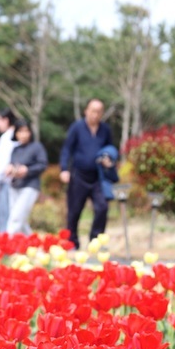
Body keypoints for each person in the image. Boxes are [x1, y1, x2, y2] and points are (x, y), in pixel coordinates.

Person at [60, 98, 116, 245]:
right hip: (78, 175)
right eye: (93, 111)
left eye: (99, 112)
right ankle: (72, 242)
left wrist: (108, 160)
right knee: (74, 210)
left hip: (98, 176)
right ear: (86, 111)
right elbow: (67, 149)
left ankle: (95, 241)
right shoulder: (77, 127)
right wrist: (64, 169)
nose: (95, 115)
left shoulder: (105, 129)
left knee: (102, 207)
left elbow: (111, 149)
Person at [5, 120, 48, 234]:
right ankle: (32, 244)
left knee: (16, 217)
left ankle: (7, 245)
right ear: (16, 134)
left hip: (30, 186)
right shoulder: (15, 149)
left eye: (26, 131)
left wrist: (28, 170)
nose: (23, 134)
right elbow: (12, 164)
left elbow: (43, 164)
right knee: (21, 220)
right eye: (20, 131)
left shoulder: (36, 147)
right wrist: (10, 169)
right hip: (15, 185)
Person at [0, 110, 17, 234]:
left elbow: (2, 162)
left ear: (6, 120)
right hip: (4, 180)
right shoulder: (7, 136)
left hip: (5, 180)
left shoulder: (10, 137)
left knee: (5, 214)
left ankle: (6, 241)